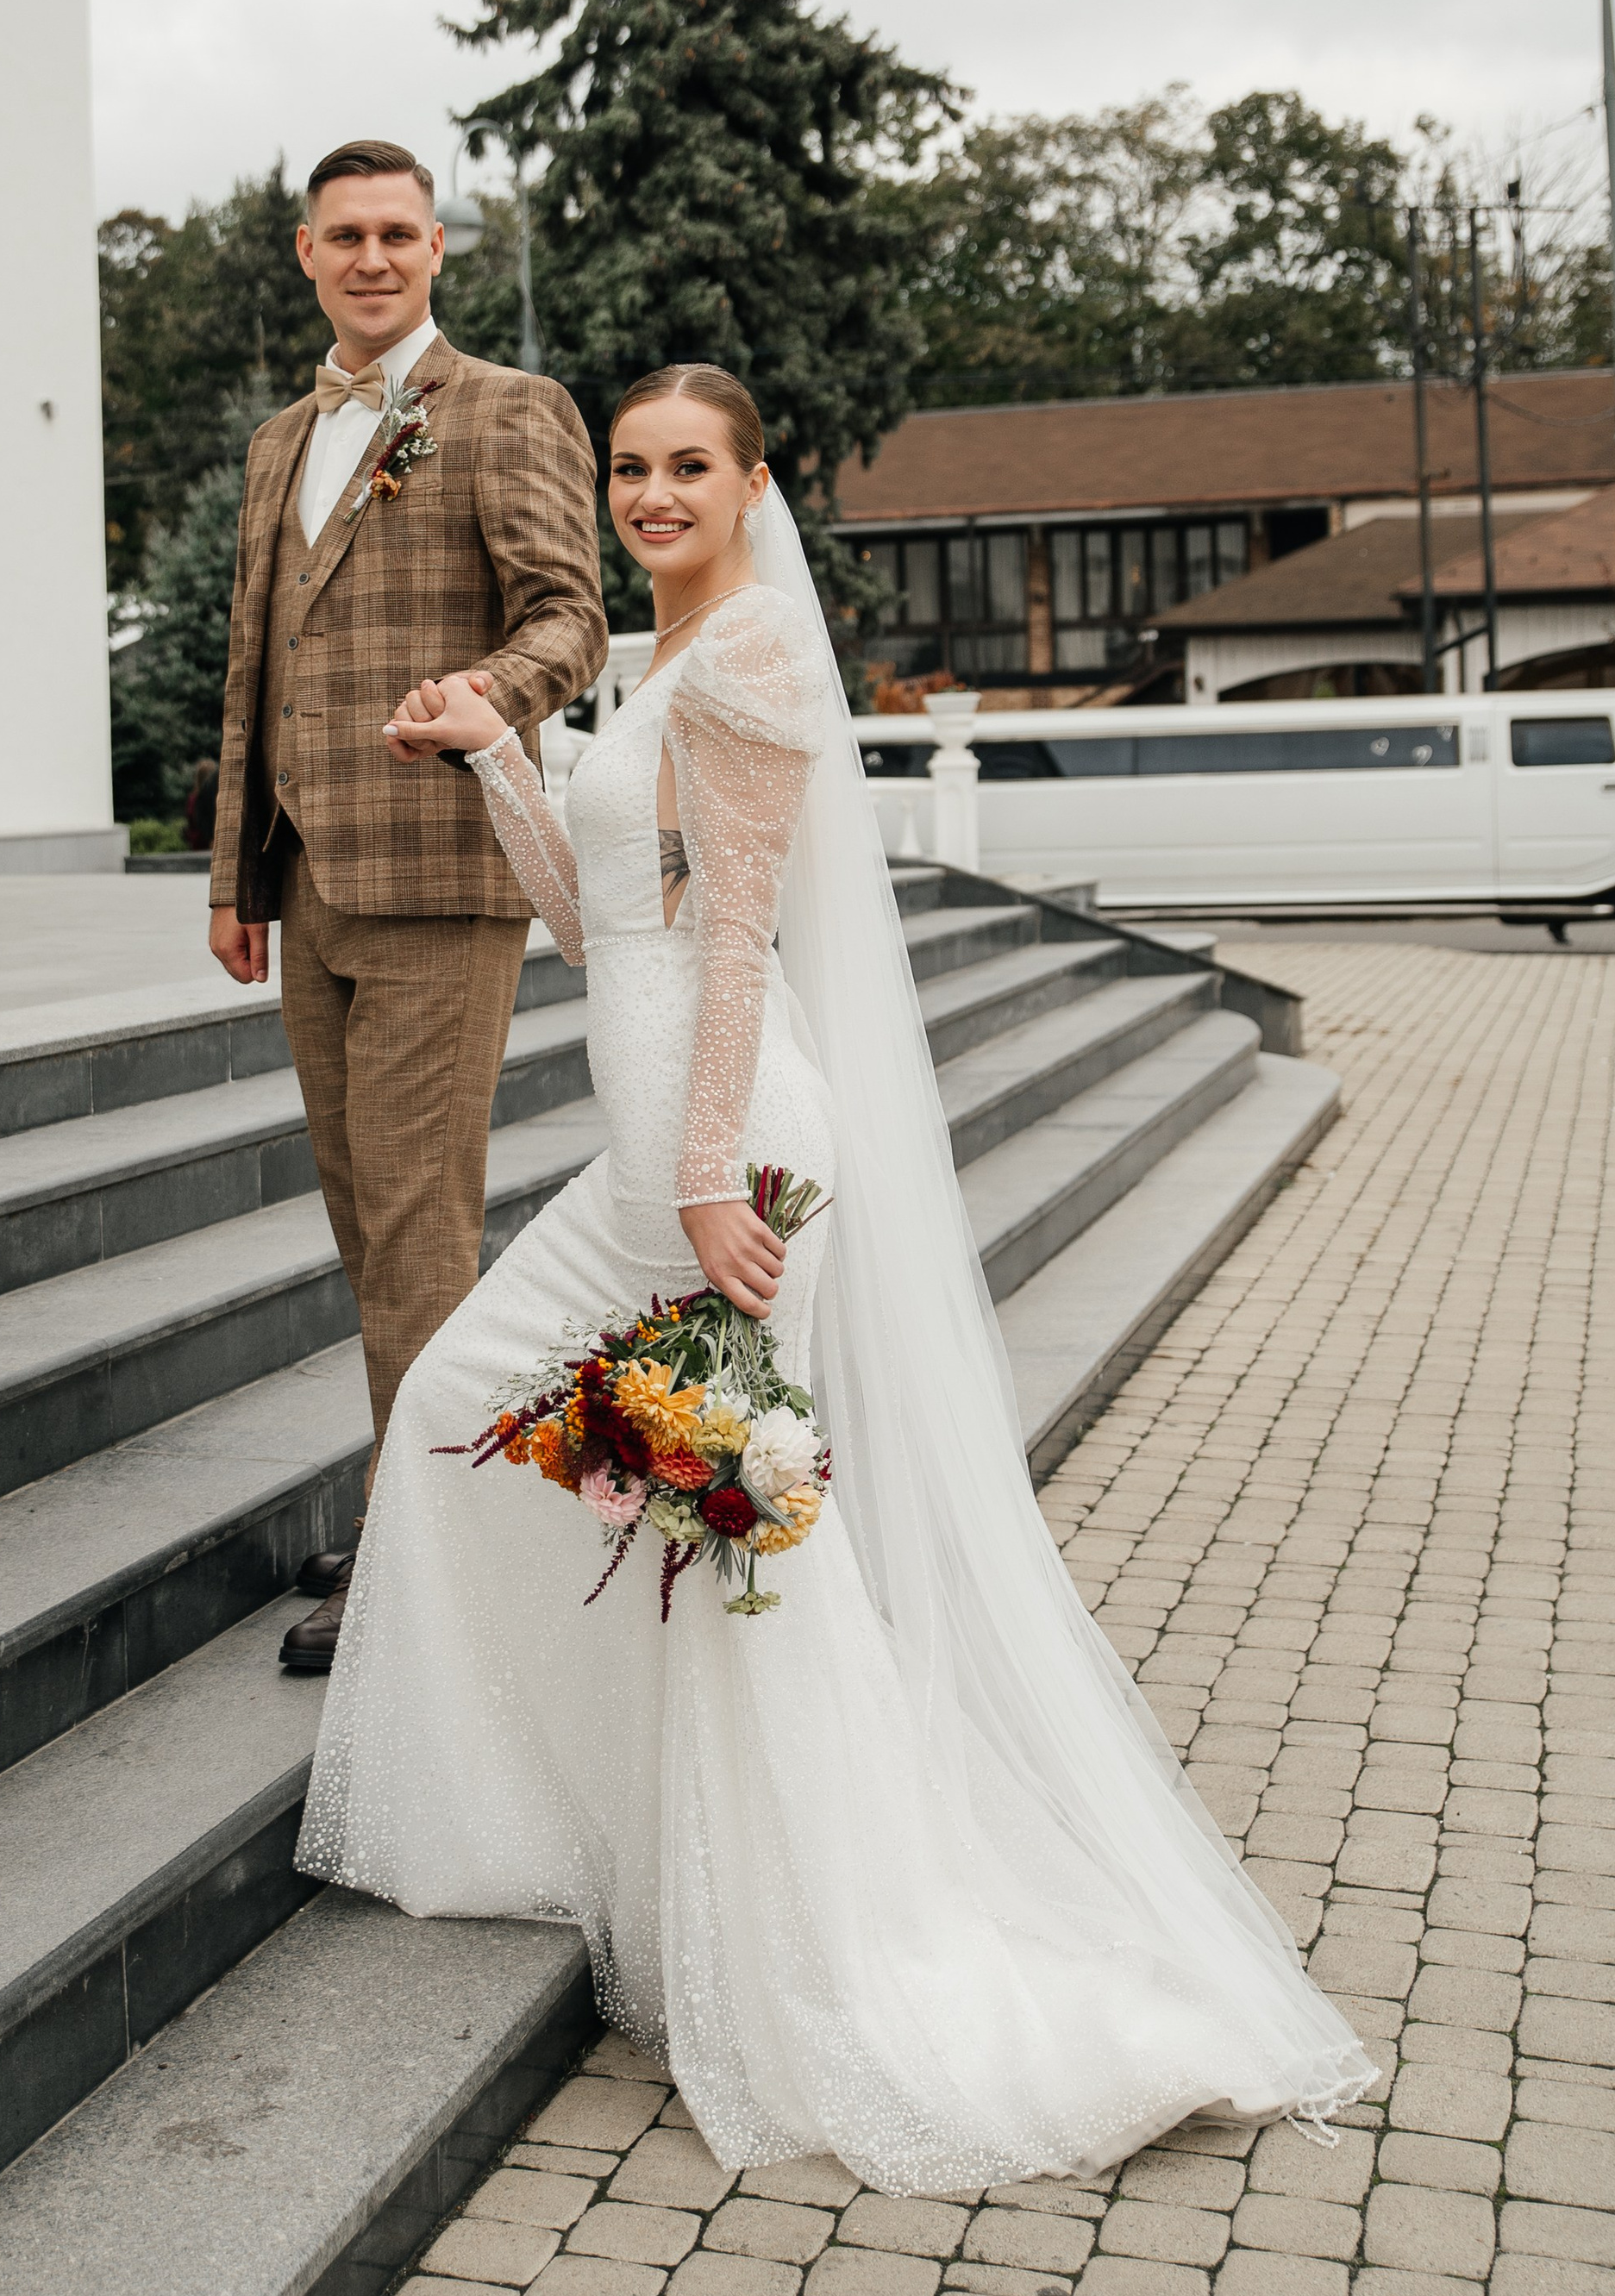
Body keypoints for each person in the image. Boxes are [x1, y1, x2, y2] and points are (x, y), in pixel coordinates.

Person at [297, 363, 1373, 2188]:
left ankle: (808, 1937)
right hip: (655, 1149)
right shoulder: (666, 659)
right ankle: (596, 1821)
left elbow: (734, 941)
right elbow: (594, 923)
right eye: (628, 468)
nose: (650, 494)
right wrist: (492, 754)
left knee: (736, 1542)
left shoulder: (754, 660)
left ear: (750, 485)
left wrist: (713, 1176)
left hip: (718, 1159)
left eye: (684, 468)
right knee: (495, 1422)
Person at [207, 138, 607, 1671]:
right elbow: (252, 670)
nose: (371, 257)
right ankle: (424, 1490)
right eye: (345, 235)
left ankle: (420, 1560)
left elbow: (569, 616)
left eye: (398, 233)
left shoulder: (507, 408)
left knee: (419, 1217)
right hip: (309, 882)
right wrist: (239, 875)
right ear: (306, 254)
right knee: (363, 1217)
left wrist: (485, 696)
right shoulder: (278, 442)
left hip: (440, 871)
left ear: (438, 248)